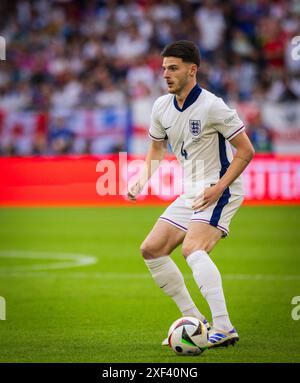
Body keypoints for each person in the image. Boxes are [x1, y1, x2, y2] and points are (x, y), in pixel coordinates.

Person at [127, 40, 255, 348]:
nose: (166, 75)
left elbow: (246, 151)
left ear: (191, 70)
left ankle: (224, 328)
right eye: (163, 69)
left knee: (192, 249)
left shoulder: (213, 106)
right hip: (192, 191)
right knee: (152, 249)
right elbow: (156, 149)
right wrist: (141, 179)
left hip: (221, 188)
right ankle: (195, 322)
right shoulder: (161, 107)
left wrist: (220, 186)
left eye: (173, 68)